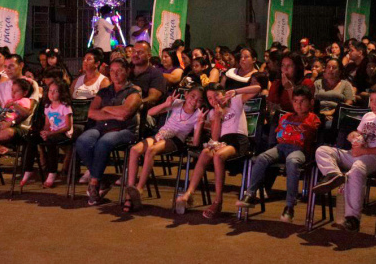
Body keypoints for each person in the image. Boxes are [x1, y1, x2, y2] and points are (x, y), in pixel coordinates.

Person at [312, 82, 376, 232]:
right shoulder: (368, 116)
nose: (373, 104)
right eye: (371, 100)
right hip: (358, 153)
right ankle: (333, 174)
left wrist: (364, 152)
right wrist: (353, 135)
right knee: (322, 150)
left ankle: (352, 218)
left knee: (356, 169)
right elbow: (358, 134)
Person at [174, 83, 261, 219]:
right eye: (209, 98)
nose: (214, 100)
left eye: (216, 95)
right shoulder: (214, 112)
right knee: (205, 152)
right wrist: (217, 118)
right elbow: (215, 138)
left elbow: (257, 88)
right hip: (223, 142)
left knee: (218, 155)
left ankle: (218, 200)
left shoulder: (236, 101)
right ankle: (189, 193)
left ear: (223, 93)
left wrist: (235, 91)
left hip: (239, 141)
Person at [237, 85, 320, 222]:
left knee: (292, 162)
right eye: (295, 101)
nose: (298, 105)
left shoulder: (313, 118)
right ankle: (250, 194)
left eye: (302, 101)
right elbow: (279, 135)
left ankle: (289, 205)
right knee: (262, 157)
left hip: (298, 149)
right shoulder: (286, 116)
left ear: (310, 103)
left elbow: (310, 134)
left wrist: (301, 127)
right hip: (281, 147)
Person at [124, 86, 205, 212]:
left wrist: (199, 124)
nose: (194, 101)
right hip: (162, 134)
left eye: (199, 100)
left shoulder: (198, 115)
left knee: (151, 150)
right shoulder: (177, 103)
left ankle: (139, 189)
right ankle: (130, 193)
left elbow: (195, 142)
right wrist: (166, 104)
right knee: (134, 150)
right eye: (193, 96)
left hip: (176, 139)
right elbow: (150, 112)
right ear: (187, 94)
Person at [76, 57, 142, 206]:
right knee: (82, 141)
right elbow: (91, 112)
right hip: (102, 127)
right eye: (112, 71)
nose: (115, 74)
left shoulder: (134, 91)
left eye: (119, 71)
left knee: (103, 142)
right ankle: (101, 179)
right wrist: (113, 113)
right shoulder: (105, 91)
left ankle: (94, 183)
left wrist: (105, 109)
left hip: (125, 129)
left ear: (127, 71)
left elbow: (125, 113)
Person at [27, 77, 73, 188]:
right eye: (50, 91)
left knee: (50, 141)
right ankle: (27, 169)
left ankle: (52, 172)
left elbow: (68, 126)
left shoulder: (65, 107)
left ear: (61, 93)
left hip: (63, 133)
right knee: (31, 137)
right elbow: (47, 124)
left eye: (55, 91)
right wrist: (44, 131)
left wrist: (50, 134)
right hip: (51, 132)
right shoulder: (47, 107)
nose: (52, 94)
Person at [129, 41, 167, 114]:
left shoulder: (156, 74)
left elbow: (153, 98)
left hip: (144, 113)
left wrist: (131, 104)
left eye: (140, 52)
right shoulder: (127, 70)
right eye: (134, 51)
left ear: (149, 56)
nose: (135, 55)